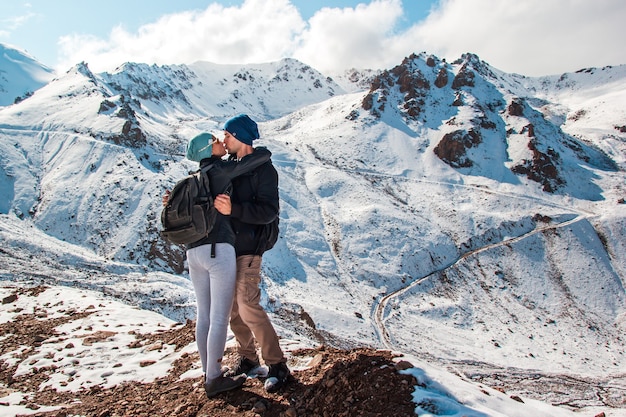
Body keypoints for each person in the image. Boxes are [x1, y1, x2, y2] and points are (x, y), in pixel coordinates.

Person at [162, 132, 271, 397]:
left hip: (193, 253)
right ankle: (214, 379)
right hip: (217, 250)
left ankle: (207, 372)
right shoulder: (219, 171)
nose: (221, 142)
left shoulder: (189, 181)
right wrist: (259, 147)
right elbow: (255, 160)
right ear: (207, 150)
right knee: (220, 317)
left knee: (205, 316)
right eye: (215, 141)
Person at [213, 114, 290, 393]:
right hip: (227, 247)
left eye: (228, 135)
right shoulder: (230, 166)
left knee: (247, 305)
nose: (224, 139)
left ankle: (277, 365)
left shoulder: (264, 170)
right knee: (233, 308)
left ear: (242, 138)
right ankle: (247, 359)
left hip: (250, 248)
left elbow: (269, 211)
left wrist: (233, 210)